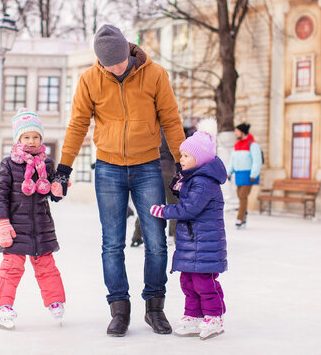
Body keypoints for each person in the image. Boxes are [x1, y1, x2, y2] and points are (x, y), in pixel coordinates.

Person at [52, 24, 186, 337]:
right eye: (108, 64)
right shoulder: (90, 79)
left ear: (128, 50)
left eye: (119, 62)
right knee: (112, 243)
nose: (115, 68)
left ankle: (155, 308)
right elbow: (77, 126)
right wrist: (64, 170)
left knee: (155, 239)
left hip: (147, 167)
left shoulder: (156, 75)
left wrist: (183, 165)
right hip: (108, 168)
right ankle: (119, 310)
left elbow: (171, 120)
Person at [149, 117, 228, 340]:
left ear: (200, 158)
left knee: (205, 282)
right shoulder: (195, 178)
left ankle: (214, 317)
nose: (181, 160)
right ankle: (193, 316)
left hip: (205, 242)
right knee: (188, 281)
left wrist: (164, 211)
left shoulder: (204, 182)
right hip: (193, 242)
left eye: (185, 156)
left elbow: (189, 209)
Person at [0, 108, 66, 330]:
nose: (31, 141)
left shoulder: (47, 164)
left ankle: (55, 301)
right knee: (12, 265)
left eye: (35, 136)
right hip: (14, 225)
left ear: (41, 138)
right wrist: (2, 222)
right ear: (18, 139)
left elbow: (51, 192)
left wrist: (58, 189)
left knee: (46, 264)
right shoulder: (9, 164)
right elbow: (0, 195)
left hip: (41, 225)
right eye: (26, 137)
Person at [131, 130, 178, 247]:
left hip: (152, 171)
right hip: (169, 171)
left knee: (149, 205)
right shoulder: (171, 131)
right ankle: (177, 237)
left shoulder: (150, 131)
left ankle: (137, 235)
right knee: (174, 205)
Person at [226, 122, 262, 228]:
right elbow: (232, 160)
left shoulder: (253, 144)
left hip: (248, 175)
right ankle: (244, 214)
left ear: (242, 132)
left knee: (242, 196)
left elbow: (257, 160)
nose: (235, 133)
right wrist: (229, 172)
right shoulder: (237, 145)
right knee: (240, 196)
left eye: (237, 131)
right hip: (239, 175)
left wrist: (254, 174)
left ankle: (240, 218)